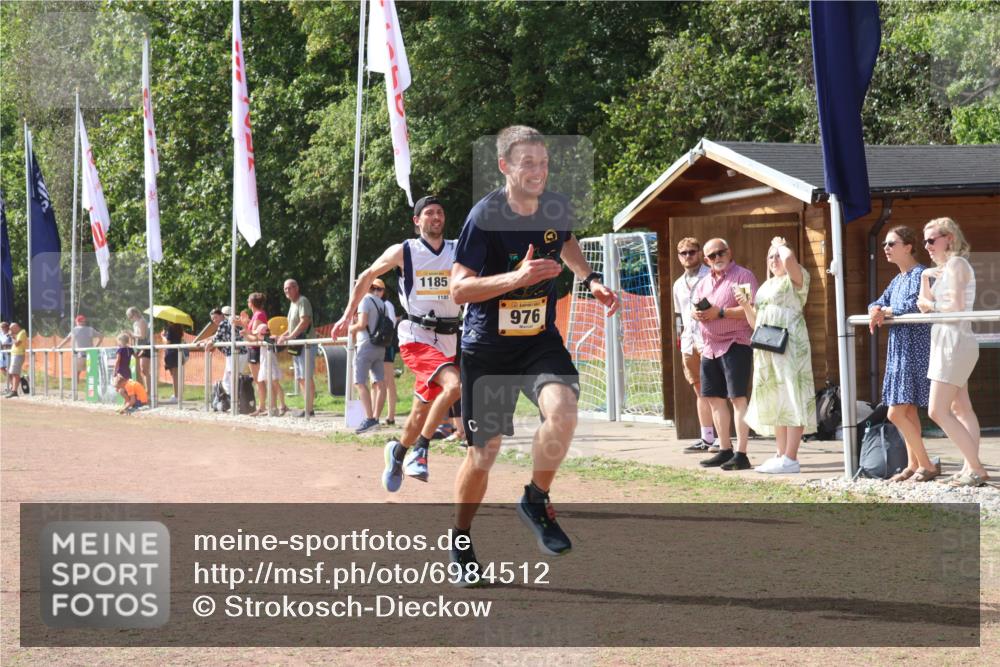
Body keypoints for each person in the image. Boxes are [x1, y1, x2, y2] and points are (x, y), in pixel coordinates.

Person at [449, 126, 619, 583]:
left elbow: (564, 242)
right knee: (483, 456)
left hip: (538, 341)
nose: (538, 172)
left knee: (563, 409)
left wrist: (589, 279)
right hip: (487, 350)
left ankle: (535, 498)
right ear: (504, 166)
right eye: (528, 164)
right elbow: (458, 289)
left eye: (543, 163)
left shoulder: (555, 205)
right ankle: (461, 541)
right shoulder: (484, 217)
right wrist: (515, 279)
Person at [333, 194, 465, 488]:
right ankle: (421, 450)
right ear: (417, 221)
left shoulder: (458, 248)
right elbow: (367, 275)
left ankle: (398, 451)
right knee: (454, 385)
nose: (436, 217)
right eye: (429, 213)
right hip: (417, 335)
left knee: (421, 410)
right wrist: (347, 314)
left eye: (440, 212)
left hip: (449, 337)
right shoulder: (404, 250)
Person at [917, 217, 989, 487]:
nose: (927, 246)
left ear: (949, 238)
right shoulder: (944, 269)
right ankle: (969, 467)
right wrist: (925, 277)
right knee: (961, 407)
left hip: (954, 340)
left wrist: (930, 305)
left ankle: (977, 468)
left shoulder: (958, 264)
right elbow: (925, 304)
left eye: (931, 240)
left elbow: (955, 306)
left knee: (937, 410)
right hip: (946, 339)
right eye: (925, 241)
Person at [738, 237, 816, 474]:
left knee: (792, 394)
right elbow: (755, 323)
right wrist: (745, 306)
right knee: (776, 397)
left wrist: (780, 244)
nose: (774, 260)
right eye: (770, 256)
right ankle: (780, 454)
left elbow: (789, 258)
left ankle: (791, 457)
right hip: (767, 346)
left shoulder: (797, 278)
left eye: (777, 255)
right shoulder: (766, 286)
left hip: (790, 344)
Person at [867, 226, 934, 482]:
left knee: (895, 413)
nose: (886, 248)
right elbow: (878, 300)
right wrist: (877, 309)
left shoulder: (921, 274)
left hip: (914, 349)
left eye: (891, 243)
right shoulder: (897, 280)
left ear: (907, 247)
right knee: (907, 412)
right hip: (898, 350)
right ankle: (912, 464)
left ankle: (926, 464)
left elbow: (917, 306)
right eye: (885, 243)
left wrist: (887, 310)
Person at [690, 237, 759, 471]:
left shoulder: (742, 276)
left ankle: (742, 454)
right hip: (709, 347)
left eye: (720, 253)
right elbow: (694, 306)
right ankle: (724, 449)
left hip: (735, 344)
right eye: (711, 256)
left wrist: (719, 312)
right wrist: (697, 314)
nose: (717, 258)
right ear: (706, 260)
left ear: (729, 252)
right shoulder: (703, 282)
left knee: (737, 399)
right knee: (714, 399)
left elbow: (749, 309)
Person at [671, 237, 717, 453]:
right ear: (679, 257)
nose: (688, 256)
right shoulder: (678, 284)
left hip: (710, 339)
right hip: (689, 342)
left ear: (700, 253)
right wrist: (680, 339)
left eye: (692, 252)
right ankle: (706, 437)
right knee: (700, 391)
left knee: (716, 391)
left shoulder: (711, 276)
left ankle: (721, 438)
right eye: (684, 253)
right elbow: (679, 315)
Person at [347, 281, 389, 433]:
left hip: (365, 344)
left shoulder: (364, 301)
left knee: (359, 382)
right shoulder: (382, 303)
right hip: (380, 345)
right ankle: (376, 418)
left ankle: (369, 418)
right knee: (379, 382)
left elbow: (362, 324)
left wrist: (350, 327)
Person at [275, 279, 316, 418]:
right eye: (285, 289)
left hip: (306, 344)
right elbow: (292, 327)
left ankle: (309, 409)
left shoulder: (302, 301)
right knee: (300, 377)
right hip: (297, 344)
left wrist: (290, 336)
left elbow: (305, 322)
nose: (287, 291)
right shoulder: (292, 304)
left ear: (296, 288)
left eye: (290, 288)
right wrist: (282, 336)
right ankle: (307, 407)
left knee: (306, 376)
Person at [243, 292, 286, 416]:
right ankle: (270, 407)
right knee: (266, 380)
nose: (247, 302)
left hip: (260, 352)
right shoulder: (257, 315)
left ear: (252, 303)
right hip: (259, 352)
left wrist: (245, 331)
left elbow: (255, 337)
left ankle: (273, 407)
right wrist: (246, 327)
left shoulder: (259, 315)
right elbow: (255, 334)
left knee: (267, 381)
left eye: (248, 300)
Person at [201, 306, 248, 397]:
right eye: (213, 319)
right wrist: (203, 341)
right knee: (228, 379)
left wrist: (209, 343)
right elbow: (216, 336)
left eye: (216, 317)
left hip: (234, 354)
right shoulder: (231, 322)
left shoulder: (224, 324)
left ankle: (234, 399)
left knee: (231, 378)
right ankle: (233, 398)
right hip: (241, 353)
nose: (214, 320)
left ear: (222, 315)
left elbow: (215, 338)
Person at [56, 315, 103, 388]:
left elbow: (67, 339)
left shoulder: (74, 330)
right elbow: (101, 336)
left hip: (78, 355)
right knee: (91, 374)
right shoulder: (90, 329)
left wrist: (58, 346)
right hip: (90, 354)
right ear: (84, 321)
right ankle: (92, 391)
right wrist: (95, 347)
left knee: (76, 374)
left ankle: (74, 391)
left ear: (77, 322)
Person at [373, 292, 399, 427]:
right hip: (375, 345)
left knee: (388, 381)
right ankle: (373, 415)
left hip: (387, 345)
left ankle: (390, 416)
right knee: (376, 382)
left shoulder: (387, 304)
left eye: (377, 288)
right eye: (372, 288)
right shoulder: (371, 302)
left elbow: (391, 325)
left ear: (383, 291)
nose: (375, 291)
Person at [126, 307, 152, 391]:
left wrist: (132, 335)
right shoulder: (135, 323)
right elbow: (136, 337)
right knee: (138, 370)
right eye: (129, 317)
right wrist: (131, 337)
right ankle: (142, 390)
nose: (130, 319)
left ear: (135, 314)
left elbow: (143, 336)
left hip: (145, 346)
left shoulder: (142, 321)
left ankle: (149, 391)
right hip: (138, 347)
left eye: (131, 316)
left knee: (144, 369)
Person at [161, 322, 185, 402]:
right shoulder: (180, 328)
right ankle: (177, 394)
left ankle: (176, 396)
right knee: (175, 375)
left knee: (174, 376)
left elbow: (168, 342)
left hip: (171, 353)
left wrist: (163, 336)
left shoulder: (171, 329)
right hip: (177, 353)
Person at [4, 322, 26, 397]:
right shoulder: (18, 334)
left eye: (12, 329)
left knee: (15, 373)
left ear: (16, 327)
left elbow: (17, 344)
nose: (11, 331)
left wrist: (12, 336)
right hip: (15, 355)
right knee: (12, 372)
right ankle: (14, 388)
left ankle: (14, 391)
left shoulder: (22, 332)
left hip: (18, 355)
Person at [0, 322, 11, 389]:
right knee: (2, 369)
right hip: (1, 353)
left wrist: (6, 345)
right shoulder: (0, 334)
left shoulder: (10, 334)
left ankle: (11, 385)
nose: (2, 328)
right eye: (1, 327)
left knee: (9, 369)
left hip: (9, 353)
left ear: (7, 327)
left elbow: (11, 343)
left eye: (4, 326)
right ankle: (12, 382)